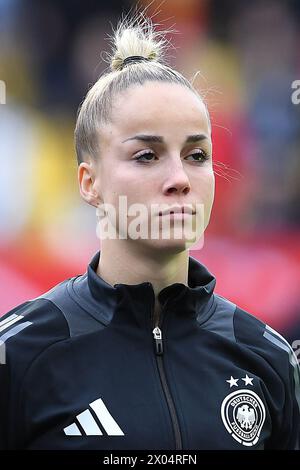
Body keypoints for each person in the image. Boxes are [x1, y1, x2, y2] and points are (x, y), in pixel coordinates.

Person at [0, 12, 299, 451]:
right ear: (89, 182)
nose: (179, 177)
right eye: (146, 155)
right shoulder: (20, 353)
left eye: (197, 155)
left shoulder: (267, 356)